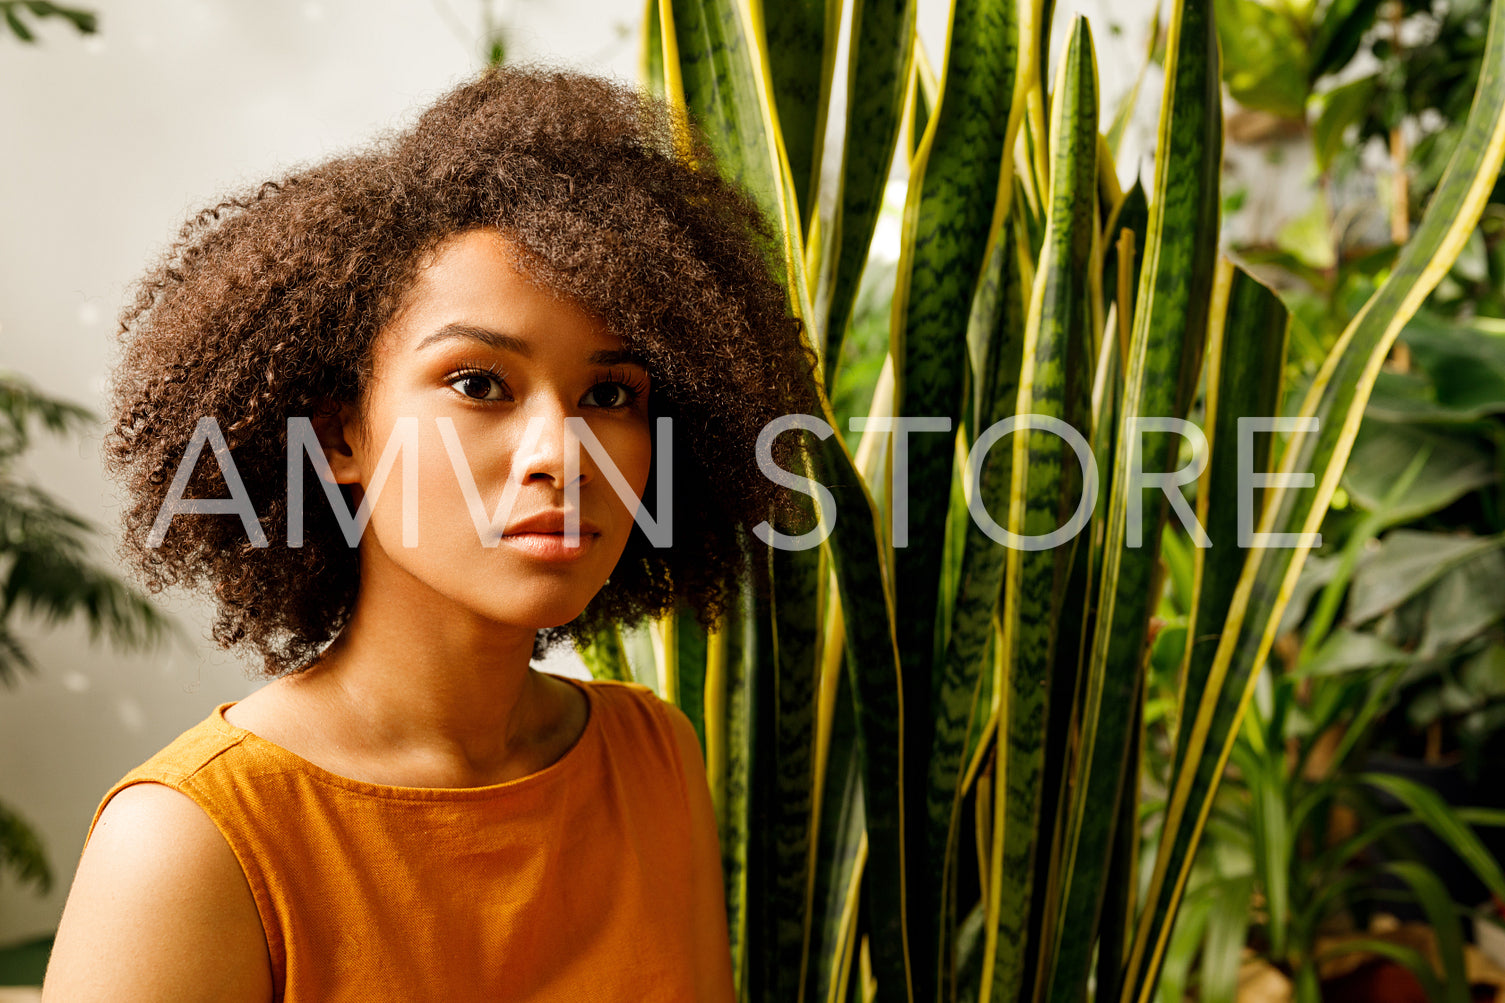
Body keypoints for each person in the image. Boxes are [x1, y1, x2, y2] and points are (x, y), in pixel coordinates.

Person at [42, 64, 819, 1001]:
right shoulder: (190, 842)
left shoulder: (653, 759)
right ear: (338, 434)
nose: (560, 455)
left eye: (609, 394)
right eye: (478, 382)